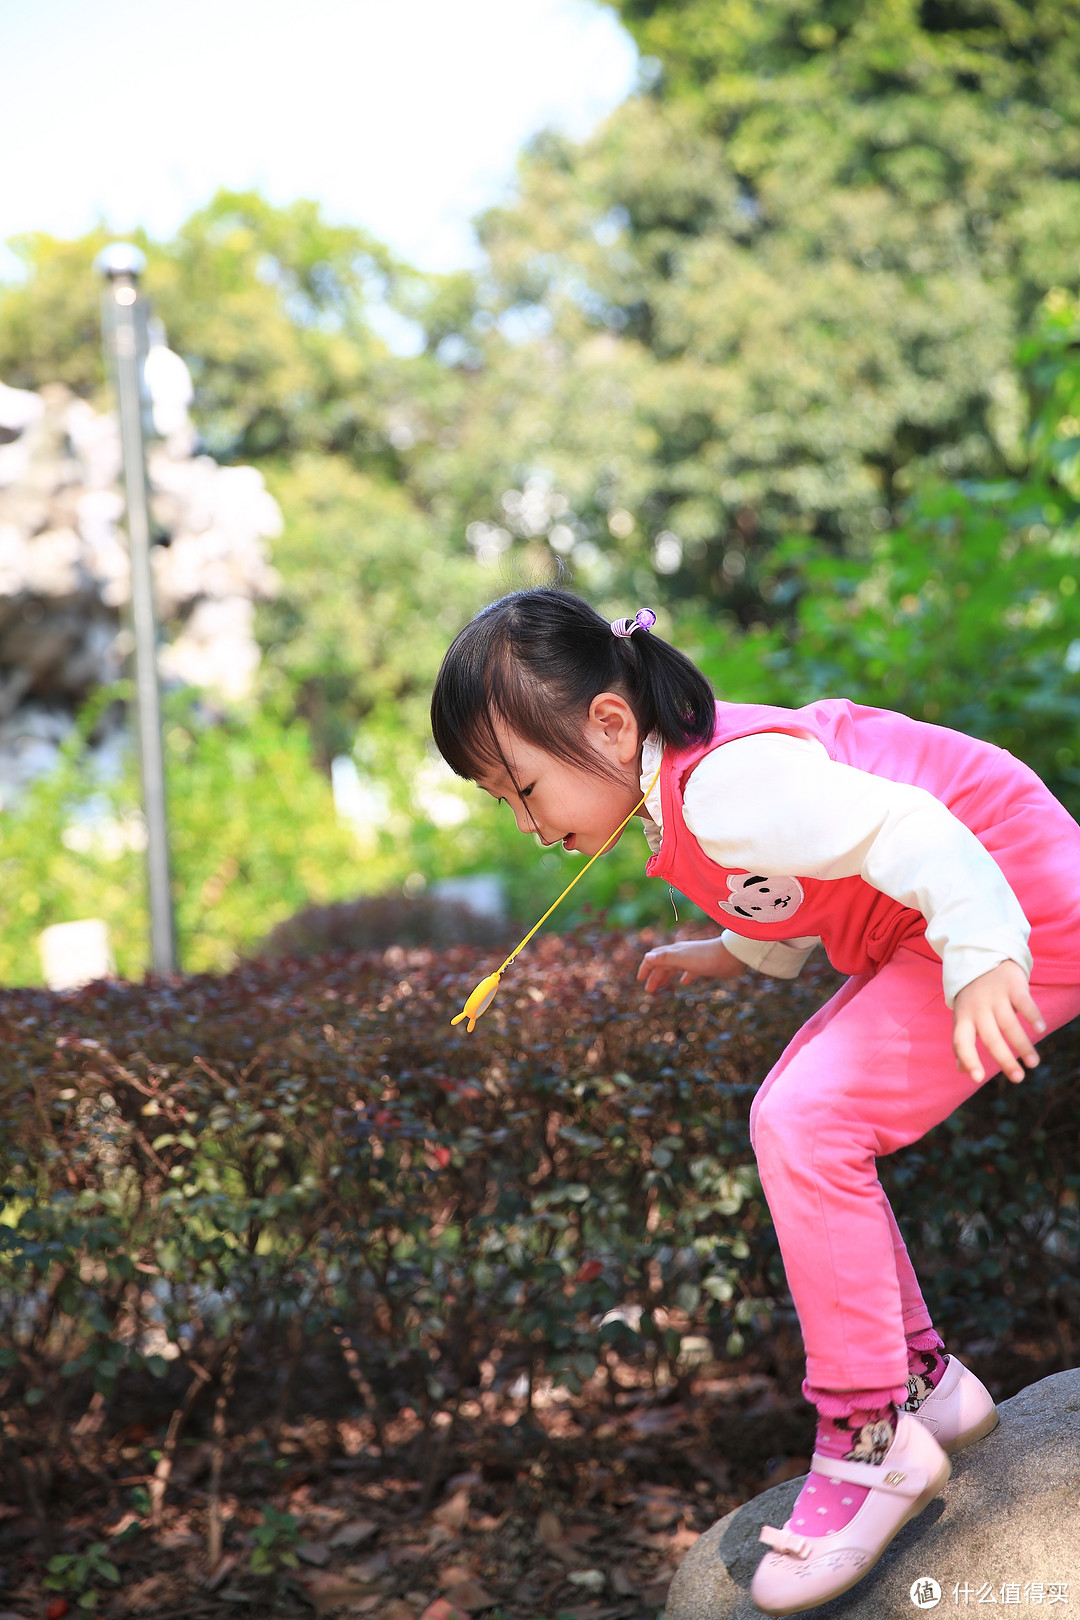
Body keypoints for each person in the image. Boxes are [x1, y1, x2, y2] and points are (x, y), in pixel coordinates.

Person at [429, 586, 1080, 1613]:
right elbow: (789, 879)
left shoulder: (724, 785)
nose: (524, 821)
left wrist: (985, 950)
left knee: (806, 1120)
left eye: (524, 787)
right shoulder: (690, 788)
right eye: (501, 800)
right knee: (795, 1111)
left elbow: (909, 825)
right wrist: (731, 953)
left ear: (607, 723)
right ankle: (924, 1386)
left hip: (1009, 899)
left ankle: (872, 1443)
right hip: (971, 907)